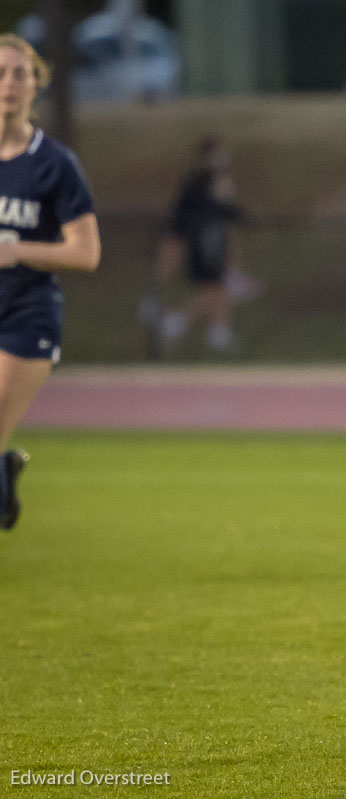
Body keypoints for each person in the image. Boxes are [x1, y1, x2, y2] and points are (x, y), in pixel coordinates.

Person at [0, 33, 101, 531]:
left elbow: (86, 253)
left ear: (36, 85)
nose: (9, 84)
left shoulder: (54, 164)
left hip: (26, 313)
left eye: (20, 73)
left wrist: (15, 250)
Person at [149, 135, 252, 355]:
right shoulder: (199, 183)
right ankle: (179, 321)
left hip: (212, 241)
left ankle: (217, 330)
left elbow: (229, 213)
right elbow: (190, 219)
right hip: (203, 242)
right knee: (211, 287)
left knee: (215, 288)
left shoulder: (218, 181)